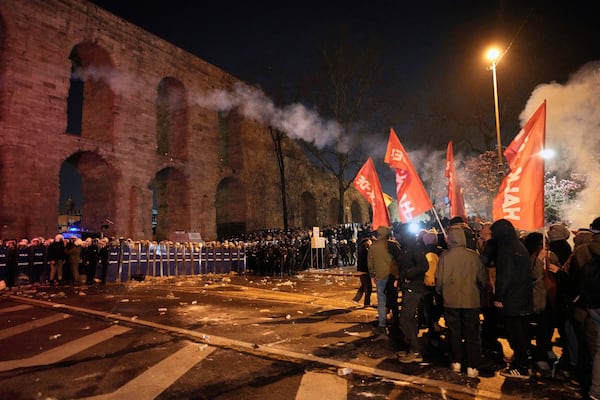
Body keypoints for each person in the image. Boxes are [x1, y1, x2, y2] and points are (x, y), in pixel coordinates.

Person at [436, 227, 487, 378]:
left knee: (454, 332)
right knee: (472, 333)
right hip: (471, 301)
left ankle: (456, 361)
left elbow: (439, 279)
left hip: (451, 301)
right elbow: (482, 278)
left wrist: (440, 291)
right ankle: (472, 365)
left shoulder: (445, 256)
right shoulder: (473, 256)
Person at [490, 219, 533, 379]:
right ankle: (523, 360)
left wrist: (499, 297)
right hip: (522, 297)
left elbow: (505, 275)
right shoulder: (518, 246)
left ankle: (521, 367)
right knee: (521, 332)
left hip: (512, 299)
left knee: (515, 334)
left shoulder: (507, 249)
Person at [569, 217, 600, 399]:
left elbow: (574, 279)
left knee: (592, 346)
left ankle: (592, 386)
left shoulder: (582, 251)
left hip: (588, 304)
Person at [395, 223, 428, 364]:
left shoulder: (415, 247)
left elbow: (424, 266)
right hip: (408, 287)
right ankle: (412, 348)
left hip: (414, 287)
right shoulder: (407, 248)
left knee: (405, 319)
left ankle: (415, 351)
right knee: (410, 320)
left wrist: (408, 274)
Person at [368, 225, 400, 337]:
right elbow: (399, 260)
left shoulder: (373, 247)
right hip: (392, 275)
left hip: (380, 276)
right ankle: (396, 320)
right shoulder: (392, 244)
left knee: (381, 300)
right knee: (393, 298)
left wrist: (372, 275)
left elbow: (370, 263)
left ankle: (382, 324)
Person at [352, 233, 373, 307]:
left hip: (362, 271)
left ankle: (356, 299)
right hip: (365, 271)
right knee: (368, 288)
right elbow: (367, 262)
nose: (370, 244)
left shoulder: (362, 250)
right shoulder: (365, 251)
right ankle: (366, 303)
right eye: (369, 242)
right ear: (366, 243)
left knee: (364, 286)